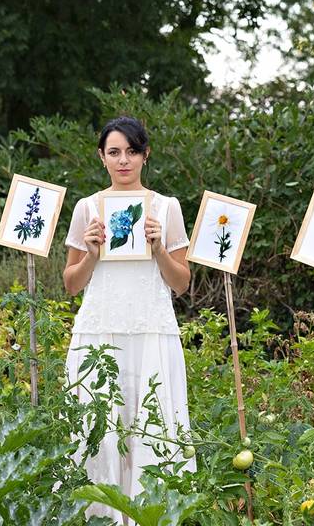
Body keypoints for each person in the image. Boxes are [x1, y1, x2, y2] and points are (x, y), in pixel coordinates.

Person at [63, 116, 194, 523]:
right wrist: (91, 254)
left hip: (152, 331)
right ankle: (99, 516)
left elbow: (182, 283)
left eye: (132, 152)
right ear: (102, 157)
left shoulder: (166, 208)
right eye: (115, 152)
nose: (124, 161)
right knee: (97, 431)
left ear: (145, 154)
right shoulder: (88, 208)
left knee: (153, 426)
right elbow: (70, 283)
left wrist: (158, 249)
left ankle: (151, 516)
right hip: (98, 333)